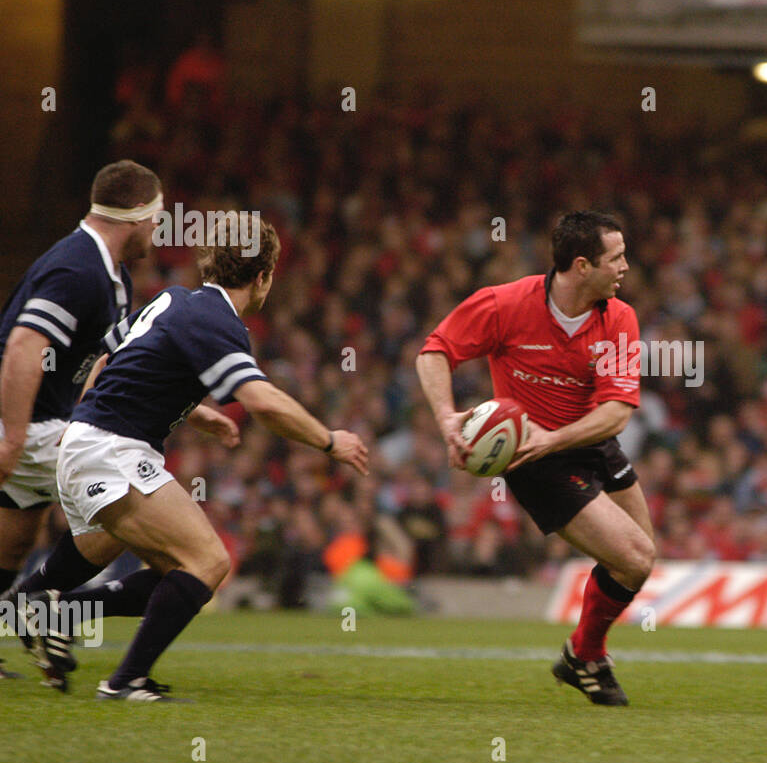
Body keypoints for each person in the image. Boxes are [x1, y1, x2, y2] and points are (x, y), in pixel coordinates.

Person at [41, 217, 368, 701]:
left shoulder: (174, 298)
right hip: (111, 449)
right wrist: (329, 441)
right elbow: (262, 402)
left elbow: (109, 362)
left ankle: (60, 612)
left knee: (179, 568)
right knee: (209, 562)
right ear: (264, 277)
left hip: (90, 442)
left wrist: (189, 415)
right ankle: (124, 680)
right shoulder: (220, 321)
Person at [415, 210, 653, 705]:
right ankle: (586, 658)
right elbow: (435, 350)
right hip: (532, 457)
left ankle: (582, 658)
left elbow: (615, 414)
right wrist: (445, 418)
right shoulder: (505, 304)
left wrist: (557, 436)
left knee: (639, 562)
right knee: (633, 556)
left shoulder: (619, 318)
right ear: (583, 265)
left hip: (586, 440)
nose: (626, 267)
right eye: (618, 258)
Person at [0, 161, 162, 685]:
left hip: (47, 421)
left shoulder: (109, 272)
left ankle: (36, 614)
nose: (159, 230)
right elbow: (26, 344)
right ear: (137, 216)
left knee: (14, 540)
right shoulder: (78, 269)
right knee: (125, 502)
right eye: (157, 218)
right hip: (33, 426)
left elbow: (103, 361)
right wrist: (13, 435)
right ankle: (51, 608)